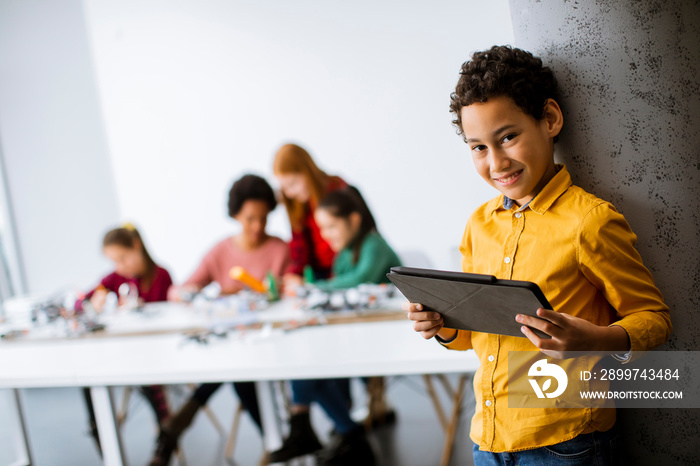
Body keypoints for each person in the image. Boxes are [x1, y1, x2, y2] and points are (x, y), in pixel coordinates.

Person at [404, 45, 672, 465]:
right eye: (478, 147)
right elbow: (473, 337)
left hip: (566, 442)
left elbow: (654, 319)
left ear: (549, 119)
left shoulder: (589, 221)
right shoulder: (479, 225)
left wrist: (595, 340)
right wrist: (442, 327)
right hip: (489, 441)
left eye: (508, 137)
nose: (496, 162)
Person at [149, 174, 290, 466]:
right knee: (235, 369)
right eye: (250, 218)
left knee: (235, 371)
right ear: (236, 214)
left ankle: (178, 423)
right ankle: (276, 442)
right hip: (233, 341)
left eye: (264, 218)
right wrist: (194, 292)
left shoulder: (280, 249)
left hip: (269, 342)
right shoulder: (220, 251)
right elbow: (179, 290)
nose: (257, 226)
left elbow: (289, 291)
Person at [269, 187, 399, 466]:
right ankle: (345, 434)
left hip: (385, 339)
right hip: (354, 335)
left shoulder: (373, 245)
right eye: (322, 228)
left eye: (330, 226)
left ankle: (330, 429)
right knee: (308, 364)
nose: (326, 235)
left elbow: (356, 282)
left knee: (310, 366)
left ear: (353, 220)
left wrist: (310, 285)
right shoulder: (344, 254)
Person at [81, 224, 173, 454]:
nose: (120, 267)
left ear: (136, 246)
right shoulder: (114, 279)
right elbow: (84, 299)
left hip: (155, 353)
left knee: (147, 374)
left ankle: (166, 436)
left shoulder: (161, 276)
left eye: (123, 258)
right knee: (87, 375)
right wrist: (95, 301)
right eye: (114, 262)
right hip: (125, 352)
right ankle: (99, 432)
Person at [273, 143, 347, 287]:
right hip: (318, 275)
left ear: (307, 172)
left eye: (293, 184)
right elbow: (299, 247)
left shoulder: (338, 189)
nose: (289, 193)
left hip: (344, 271)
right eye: (285, 187)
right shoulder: (296, 203)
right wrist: (293, 275)